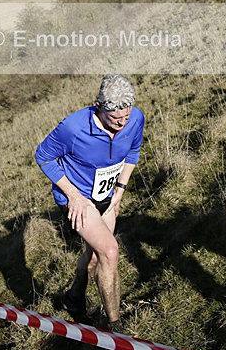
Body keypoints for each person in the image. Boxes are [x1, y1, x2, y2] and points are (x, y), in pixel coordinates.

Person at [35, 74, 144, 331]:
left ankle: (73, 299)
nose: (122, 123)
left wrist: (120, 191)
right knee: (110, 251)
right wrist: (74, 196)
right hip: (78, 200)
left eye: (125, 117)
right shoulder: (73, 128)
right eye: (115, 119)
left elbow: (133, 152)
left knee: (94, 257)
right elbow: (44, 156)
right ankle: (115, 325)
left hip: (107, 197)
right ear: (99, 107)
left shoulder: (135, 118)